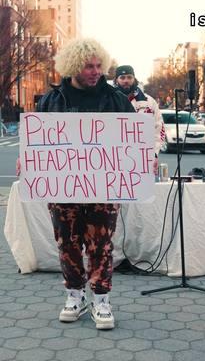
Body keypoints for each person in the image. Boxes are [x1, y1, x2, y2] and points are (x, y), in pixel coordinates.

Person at [35, 39, 135, 329]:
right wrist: (28, 161)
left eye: (98, 66)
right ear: (73, 66)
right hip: (62, 187)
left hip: (104, 188)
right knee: (67, 242)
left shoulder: (116, 99)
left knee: (101, 243)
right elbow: (38, 141)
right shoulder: (51, 100)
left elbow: (131, 140)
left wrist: (143, 159)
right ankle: (74, 295)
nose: (95, 71)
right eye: (88, 66)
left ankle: (101, 299)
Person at [114, 65, 165, 174]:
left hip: (142, 157)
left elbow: (159, 129)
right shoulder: (108, 100)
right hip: (113, 158)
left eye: (129, 77)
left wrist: (154, 153)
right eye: (122, 77)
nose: (126, 80)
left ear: (134, 79)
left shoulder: (149, 102)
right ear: (116, 80)